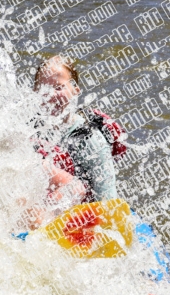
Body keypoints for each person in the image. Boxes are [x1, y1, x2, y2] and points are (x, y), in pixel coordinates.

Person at [24, 55, 126, 229]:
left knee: (74, 188)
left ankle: (37, 228)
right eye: (43, 89)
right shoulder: (27, 128)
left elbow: (107, 196)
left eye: (58, 87)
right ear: (35, 92)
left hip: (76, 217)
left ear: (75, 89)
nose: (50, 96)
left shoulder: (89, 139)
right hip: (35, 204)